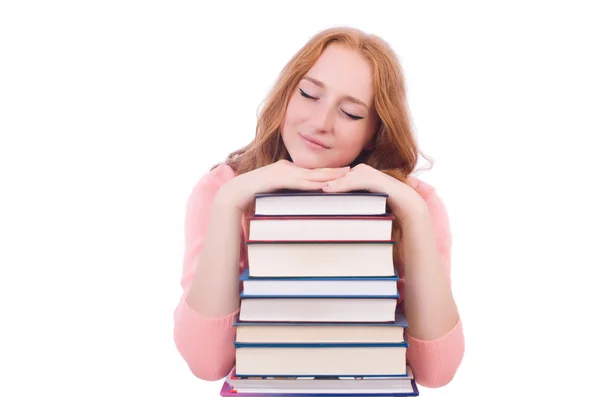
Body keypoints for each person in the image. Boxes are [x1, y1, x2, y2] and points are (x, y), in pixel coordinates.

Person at [173, 26, 464, 389]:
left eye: (351, 113)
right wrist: (231, 202)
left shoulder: (415, 205)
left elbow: (436, 373)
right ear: (286, 94)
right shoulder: (224, 190)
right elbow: (206, 362)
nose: (320, 123)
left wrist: (416, 215)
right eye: (309, 94)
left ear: (375, 130)